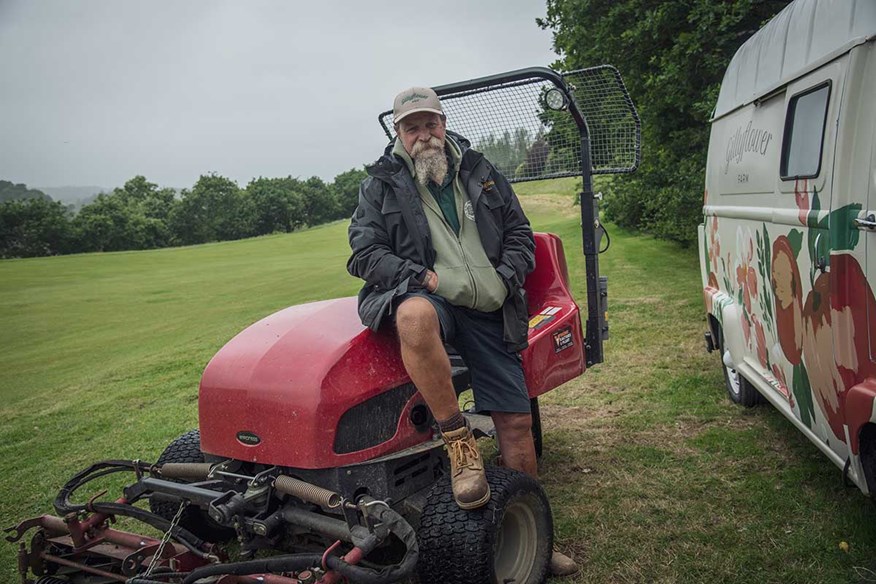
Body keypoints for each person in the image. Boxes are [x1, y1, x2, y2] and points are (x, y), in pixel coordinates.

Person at [347, 86, 578, 577]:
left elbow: (519, 233)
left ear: (443, 123)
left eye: (430, 123)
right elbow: (365, 254)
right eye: (412, 127)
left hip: (489, 306)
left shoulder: (480, 170)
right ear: (399, 133)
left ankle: (536, 535)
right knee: (413, 316)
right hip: (432, 298)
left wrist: (506, 277)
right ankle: (460, 443)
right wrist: (427, 280)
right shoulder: (380, 184)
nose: (423, 134)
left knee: (516, 426)